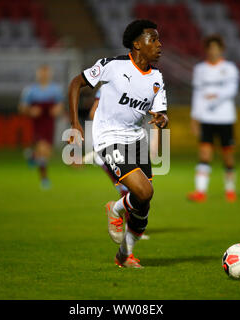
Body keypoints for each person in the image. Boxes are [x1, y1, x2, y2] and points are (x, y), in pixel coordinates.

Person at [68, 20, 168, 268]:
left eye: (158, 39)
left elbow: (161, 114)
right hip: (108, 137)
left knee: (143, 206)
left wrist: (162, 119)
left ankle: (124, 255)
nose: (159, 44)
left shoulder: (157, 77)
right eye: (152, 39)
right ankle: (115, 209)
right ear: (137, 44)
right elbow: (75, 83)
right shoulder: (113, 66)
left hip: (137, 140)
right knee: (144, 192)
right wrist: (74, 123)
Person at [187, 34, 240, 203]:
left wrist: (214, 97)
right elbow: (197, 95)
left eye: (216, 48)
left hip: (226, 117)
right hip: (207, 118)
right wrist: (194, 118)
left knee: (228, 156)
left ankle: (230, 190)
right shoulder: (200, 69)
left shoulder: (230, 68)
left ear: (221, 50)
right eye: (210, 48)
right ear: (206, 50)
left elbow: (232, 90)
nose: (213, 51)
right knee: (204, 153)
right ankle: (200, 191)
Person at [19, 64, 64, 190]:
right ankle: (44, 179)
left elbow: (60, 106)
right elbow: (22, 108)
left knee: (47, 153)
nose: (44, 75)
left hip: (49, 123)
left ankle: (32, 156)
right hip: (37, 123)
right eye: (42, 73)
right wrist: (30, 110)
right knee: (43, 150)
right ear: (38, 74)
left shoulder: (55, 90)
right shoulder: (31, 90)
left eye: (46, 72)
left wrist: (57, 110)